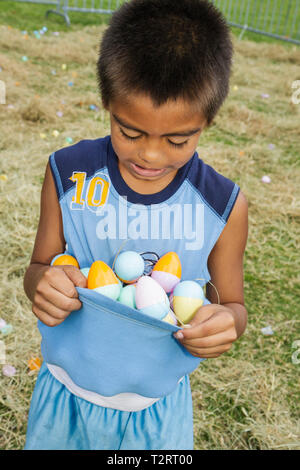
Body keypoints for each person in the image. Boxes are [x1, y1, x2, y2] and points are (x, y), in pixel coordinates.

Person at [23, 0, 248, 450]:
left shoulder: (223, 206)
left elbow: (233, 305)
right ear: (107, 102)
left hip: (155, 414)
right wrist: (43, 285)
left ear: (208, 121)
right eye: (130, 132)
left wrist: (227, 323)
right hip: (64, 393)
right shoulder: (69, 174)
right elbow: (38, 269)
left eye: (177, 140)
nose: (150, 155)